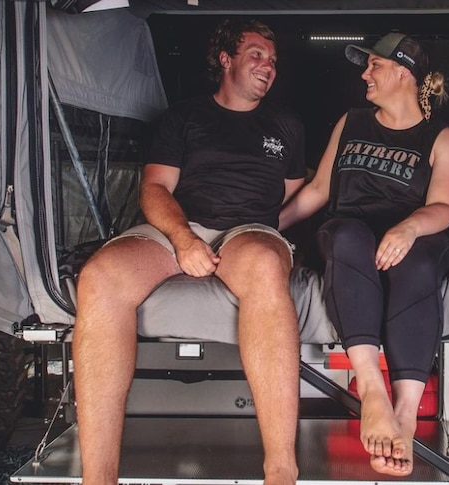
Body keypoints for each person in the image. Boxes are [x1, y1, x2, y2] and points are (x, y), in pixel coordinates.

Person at [72, 19, 306, 485]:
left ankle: (281, 471)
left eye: (273, 61)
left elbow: (292, 194)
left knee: (262, 263)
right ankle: (98, 479)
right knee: (99, 277)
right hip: (180, 223)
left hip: (248, 229)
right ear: (226, 59)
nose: (268, 67)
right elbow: (155, 188)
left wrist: (269, 237)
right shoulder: (184, 117)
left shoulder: (287, 125)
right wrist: (183, 239)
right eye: (257, 54)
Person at [279, 32, 449, 476]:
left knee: (420, 262)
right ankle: (372, 390)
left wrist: (407, 228)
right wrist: (266, 227)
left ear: (404, 72)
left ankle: (404, 414)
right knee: (347, 236)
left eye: (375, 66)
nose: (365, 74)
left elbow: (444, 206)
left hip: (415, 235)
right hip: (351, 230)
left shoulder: (443, 138)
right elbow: (319, 192)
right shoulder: (351, 122)